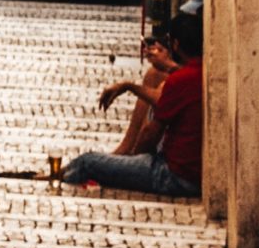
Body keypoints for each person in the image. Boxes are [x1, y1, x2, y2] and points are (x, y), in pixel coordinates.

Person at [59, 11, 203, 196]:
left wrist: (134, 161)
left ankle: (53, 178)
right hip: (189, 175)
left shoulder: (180, 80)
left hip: (172, 175)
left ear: (175, 44)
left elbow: (150, 134)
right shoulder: (203, 73)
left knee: (87, 162)